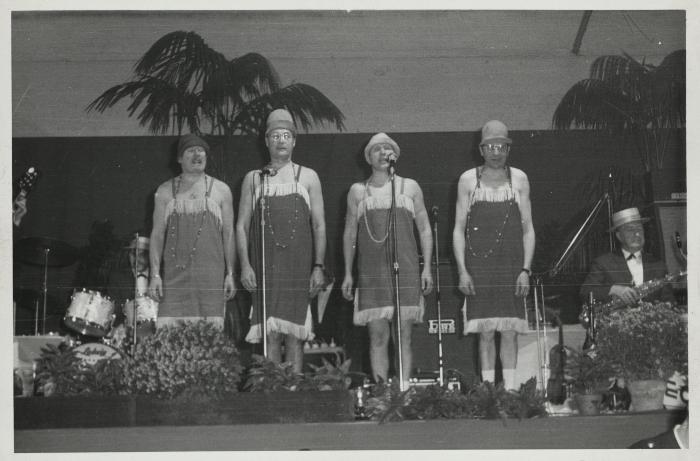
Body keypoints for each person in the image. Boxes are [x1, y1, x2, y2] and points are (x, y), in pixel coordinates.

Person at [236, 108, 326, 373]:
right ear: (266, 141)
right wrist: (245, 265)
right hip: (266, 266)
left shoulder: (308, 176)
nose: (281, 140)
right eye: (275, 135)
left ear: (294, 141)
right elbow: (241, 225)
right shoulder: (253, 178)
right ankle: (273, 395)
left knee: (295, 335)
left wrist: (318, 267)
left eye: (286, 135)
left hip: (298, 266)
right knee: (271, 334)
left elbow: (319, 225)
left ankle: (294, 393)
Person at [341, 133, 433, 385]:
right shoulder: (357, 191)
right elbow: (349, 233)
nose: (382, 153)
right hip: (371, 273)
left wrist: (426, 269)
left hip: (405, 268)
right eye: (376, 149)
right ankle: (382, 394)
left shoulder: (410, 187)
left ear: (395, 156)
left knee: (403, 336)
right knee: (378, 336)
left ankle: (402, 392)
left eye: (387, 148)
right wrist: (348, 272)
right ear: (368, 158)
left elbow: (424, 228)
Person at [453, 120, 535, 391]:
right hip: (479, 267)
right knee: (485, 333)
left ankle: (510, 393)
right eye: (490, 147)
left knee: (509, 332)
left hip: (511, 266)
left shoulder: (520, 178)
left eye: (501, 147)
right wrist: (462, 271)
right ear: (481, 149)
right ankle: (488, 393)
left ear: (508, 149)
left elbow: (528, 229)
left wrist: (525, 269)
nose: (496, 152)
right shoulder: (467, 179)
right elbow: (458, 229)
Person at [148, 134, 236, 328]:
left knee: (209, 341)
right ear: (179, 158)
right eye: (190, 150)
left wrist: (230, 273)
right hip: (174, 275)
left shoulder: (221, 190)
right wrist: (155, 275)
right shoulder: (164, 191)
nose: (197, 154)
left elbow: (229, 234)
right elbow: (157, 235)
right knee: (171, 340)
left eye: (201, 150)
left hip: (210, 277)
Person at [579, 207, 675, 306]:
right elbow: (585, 292)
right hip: (616, 320)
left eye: (639, 229)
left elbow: (669, 301)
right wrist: (613, 290)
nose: (637, 234)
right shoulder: (603, 263)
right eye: (630, 230)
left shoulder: (659, 265)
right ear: (619, 236)